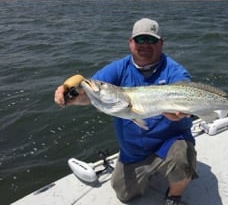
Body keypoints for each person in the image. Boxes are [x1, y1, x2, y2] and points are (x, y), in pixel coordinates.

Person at [54, 18, 197, 205]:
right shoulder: (118, 68)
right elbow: (91, 94)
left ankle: (174, 196)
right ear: (131, 42)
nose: (145, 44)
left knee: (181, 157)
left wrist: (181, 111)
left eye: (151, 40)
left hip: (169, 143)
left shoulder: (174, 70)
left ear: (161, 43)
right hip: (134, 152)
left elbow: (185, 89)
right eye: (140, 40)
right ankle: (149, 169)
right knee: (123, 194)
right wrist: (69, 99)